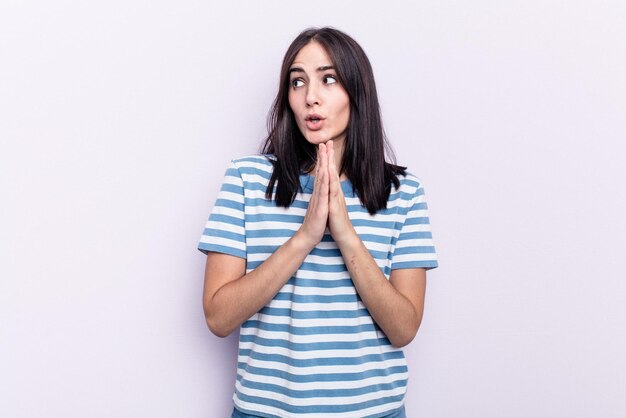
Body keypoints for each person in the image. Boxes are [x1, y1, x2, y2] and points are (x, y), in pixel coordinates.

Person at [198, 27, 438, 418]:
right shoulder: (246, 180)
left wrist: (344, 233)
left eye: (329, 79)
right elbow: (218, 317)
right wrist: (305, 237)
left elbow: (403, 328)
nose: (311, 96)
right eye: (298, 81)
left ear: (356, 92)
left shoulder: (403, 193)